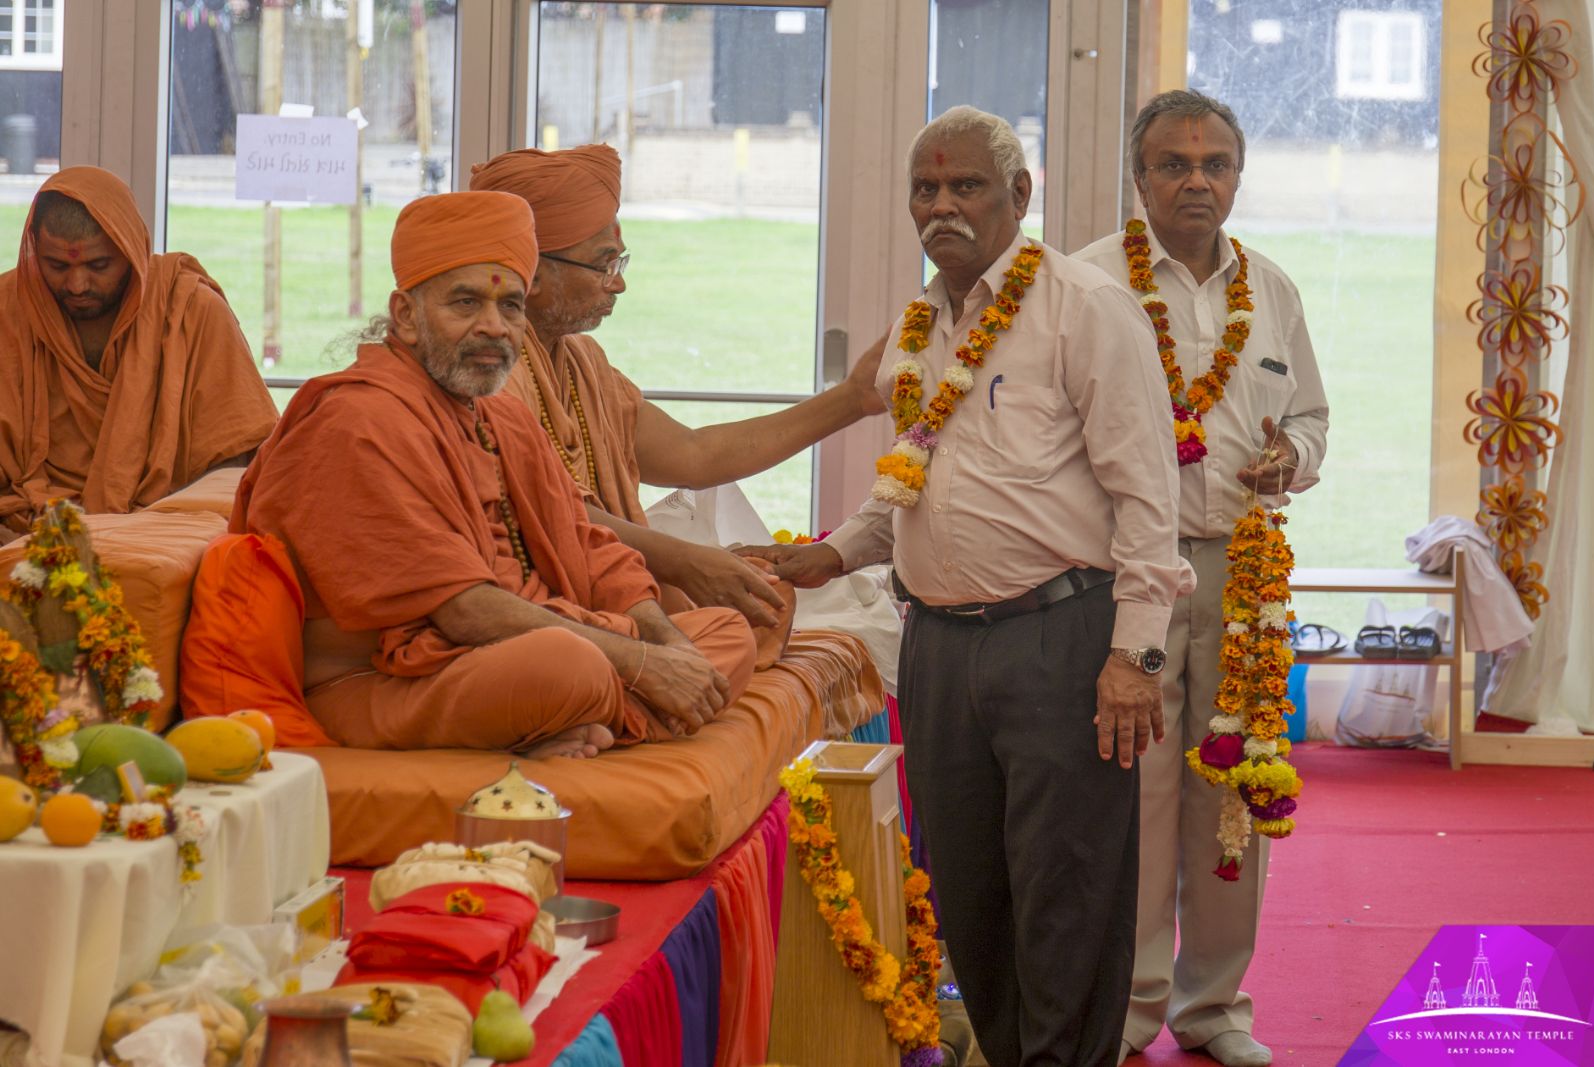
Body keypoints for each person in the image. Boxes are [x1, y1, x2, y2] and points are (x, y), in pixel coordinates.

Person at [741, 106, 1192, 1067]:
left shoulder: (1084, 307)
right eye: (925, 189)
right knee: (968, 892)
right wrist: (841, 548)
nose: (941, 205)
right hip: (938, 645)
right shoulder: (919, 324)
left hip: (1062, 639)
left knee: (1066, 894)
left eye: (966, 187)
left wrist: (1134, 657)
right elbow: (923, 464)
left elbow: (1149, 499)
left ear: (1019, 197)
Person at [232, 190, 757, 760]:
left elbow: (590, 546)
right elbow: (464, 609)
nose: (494, 327)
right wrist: (641, 665)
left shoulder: (500, 411)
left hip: (521, 644)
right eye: (465, 303)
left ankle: (575, 720)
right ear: (406, 315)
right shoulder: (359, 421)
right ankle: (584, 710)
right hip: (388, 682)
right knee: (566, 668)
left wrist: (669, 647)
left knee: (731, 633)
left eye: (510, 306)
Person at [1071, 89, 1329, 1067]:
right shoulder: (1089, 284)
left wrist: (1289, 460)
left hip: (1239, 568)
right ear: (1138, 180)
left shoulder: (1273, 290)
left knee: (1229, 785)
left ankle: (1214, 1005)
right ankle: (1130, 1005)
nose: (1195, 180)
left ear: (1236, 175)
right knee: (1130, 789)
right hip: (1120, 571)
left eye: (1213, 162)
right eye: (1173, 164)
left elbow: (1310, 419)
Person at [469, 145, 888, 634]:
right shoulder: (493, 374)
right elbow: (561, 517)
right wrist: (688, 563)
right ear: (534, 274)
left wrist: (854, 398)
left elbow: (694, 454)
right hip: (529, 619)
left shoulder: (580, 362)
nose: (618, 285)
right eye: (605, 265)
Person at [0, 167, 278, 540]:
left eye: (98, 265)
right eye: (57, 266)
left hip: (166, 530)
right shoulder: (9, 310)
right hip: (29, 528)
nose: (77, 285)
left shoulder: (189, 310)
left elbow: (239, 454)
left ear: (131, 249)